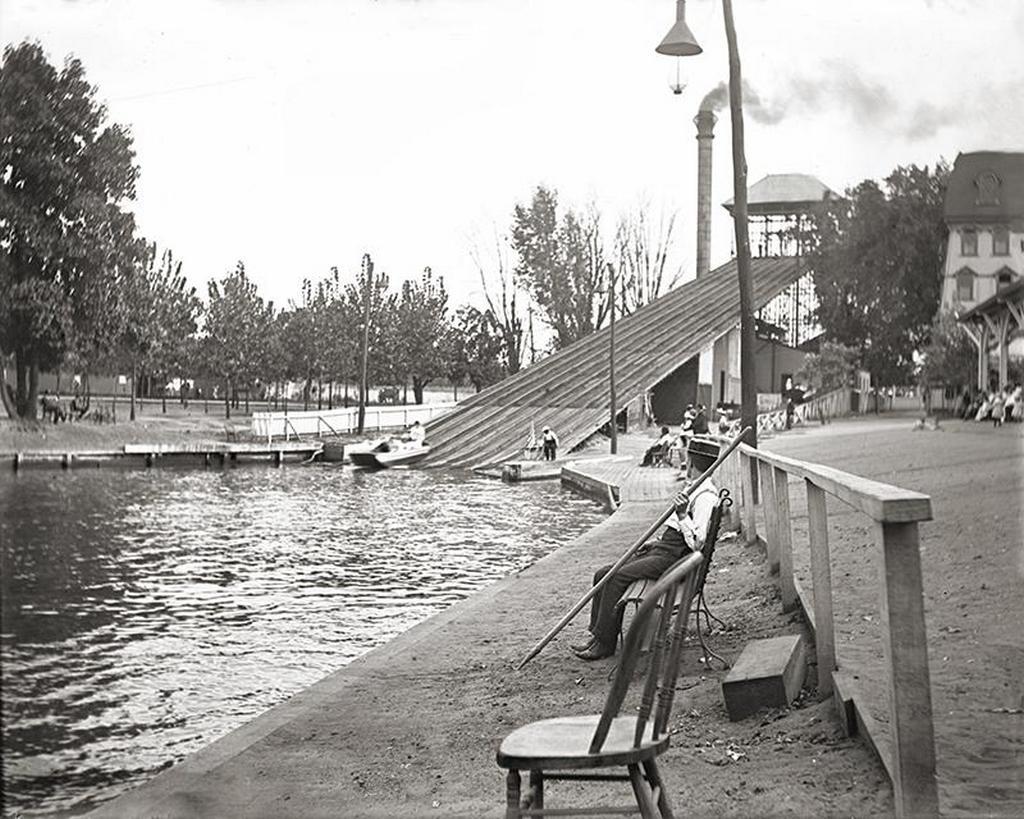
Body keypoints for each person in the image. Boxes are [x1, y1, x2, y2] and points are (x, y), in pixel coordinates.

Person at [571, 438, 720, 661]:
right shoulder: (693, 486)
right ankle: (598, 635)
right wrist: (658, 541)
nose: (682, 461)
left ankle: (605, 645)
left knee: (615, 577)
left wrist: (681, 515)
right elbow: (675, 530)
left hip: (674, 560)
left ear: (692, 462)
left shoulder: (705, 496)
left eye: (686, 458)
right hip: (663, 548)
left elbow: (698, 543)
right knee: (602, 573)